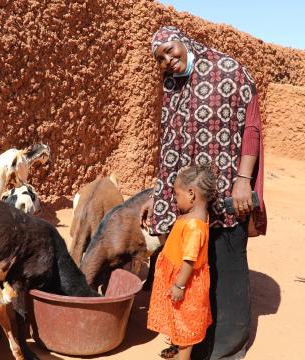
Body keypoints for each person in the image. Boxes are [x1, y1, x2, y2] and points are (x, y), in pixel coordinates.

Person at [147, 26, 267, 360]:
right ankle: (191, 339)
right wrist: (160, 195)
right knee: (196, 271)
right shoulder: (172, 84)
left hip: (228, 191)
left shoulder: (228, 69)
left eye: (171, 50)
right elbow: (169, 141)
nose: (168, 60)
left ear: (183, 42)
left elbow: (252, 127)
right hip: (191, 200)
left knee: (227, 268)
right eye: (160, 58)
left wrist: (243, 179)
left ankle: (227, 349)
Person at [148, 164, 217, 360]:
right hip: (180, 279)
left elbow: (189, 260)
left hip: (185, 284)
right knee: (179, 320)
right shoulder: (194, 218)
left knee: (185, 326)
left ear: (191, 194)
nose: (175, 200)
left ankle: (183, 356)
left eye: (177, 195)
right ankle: (178, 350)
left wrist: (179, 284)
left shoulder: (194, 226)